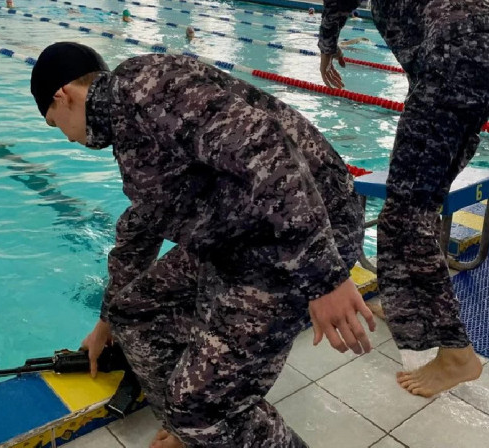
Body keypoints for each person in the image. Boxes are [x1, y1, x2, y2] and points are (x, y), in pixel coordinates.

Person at [30, 42, 375, 448]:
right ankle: (197, 430)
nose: (66, 138)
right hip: (240, 241)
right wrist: (105, 322)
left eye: (54, 124)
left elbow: (265, 146)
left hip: (297, 240)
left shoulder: (145, 89)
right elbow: (144, 223)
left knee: (198, 409)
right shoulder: (128, 122)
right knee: (133, 312)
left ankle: (203, 418)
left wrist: (324, 278)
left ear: (63, 96)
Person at [317, 0, 489, 398]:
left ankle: (457, 353)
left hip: (453, 59)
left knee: (405, 218)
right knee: (418, 208)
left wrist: (327, 44)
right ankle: (407, 307)